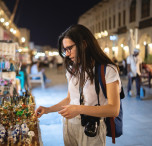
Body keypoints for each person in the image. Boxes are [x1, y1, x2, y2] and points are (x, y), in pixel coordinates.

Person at [35, 24, 121, 146]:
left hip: (92, 127)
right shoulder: (72, 68)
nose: (67, 54)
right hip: (69, 125)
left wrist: (78, 109)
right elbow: (70, 99)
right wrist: (48, 109)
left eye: (69, 48)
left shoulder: (107, 70)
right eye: (65, 50)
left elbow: (113, 109)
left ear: (84, 44)